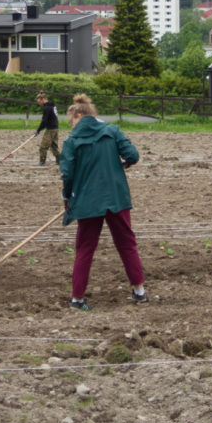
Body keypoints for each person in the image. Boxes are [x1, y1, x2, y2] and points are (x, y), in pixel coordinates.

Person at [60, 94, 147, 310]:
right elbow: (133, 156)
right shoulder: (112, 131)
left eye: (71, 120)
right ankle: (139, 291)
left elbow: (67, 174)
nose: (71, 125)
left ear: (78, 115)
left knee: (85, 248)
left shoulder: (71, 141)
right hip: (117, 197)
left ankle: (77, 299)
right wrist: (122, 164)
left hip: (88, 201)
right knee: (127, 243)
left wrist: (67, 196)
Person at [35, 93, 61, 166]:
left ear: (43, 99)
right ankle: (59, 161)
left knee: (43, 146)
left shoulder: (47, 108)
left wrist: (38, 130)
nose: (39, 103)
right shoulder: (52, 106)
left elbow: (44, 121)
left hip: (50, 129)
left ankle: (42, 162)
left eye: (39, 101)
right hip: (55, 128)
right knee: (54, 146)